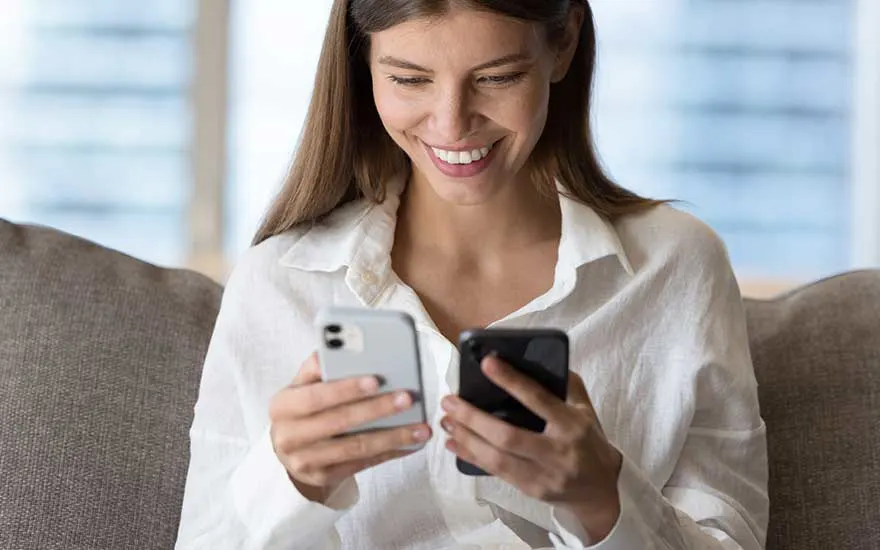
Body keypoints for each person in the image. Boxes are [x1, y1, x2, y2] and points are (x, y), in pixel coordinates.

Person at [175, 0, 769, 548]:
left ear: (562, 47)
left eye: (497, 77)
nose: (453, 124)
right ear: (364, 65)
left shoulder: (676, 267)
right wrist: (290, 482)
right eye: (409, 79)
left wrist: (604, 499)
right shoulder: (281, 281)